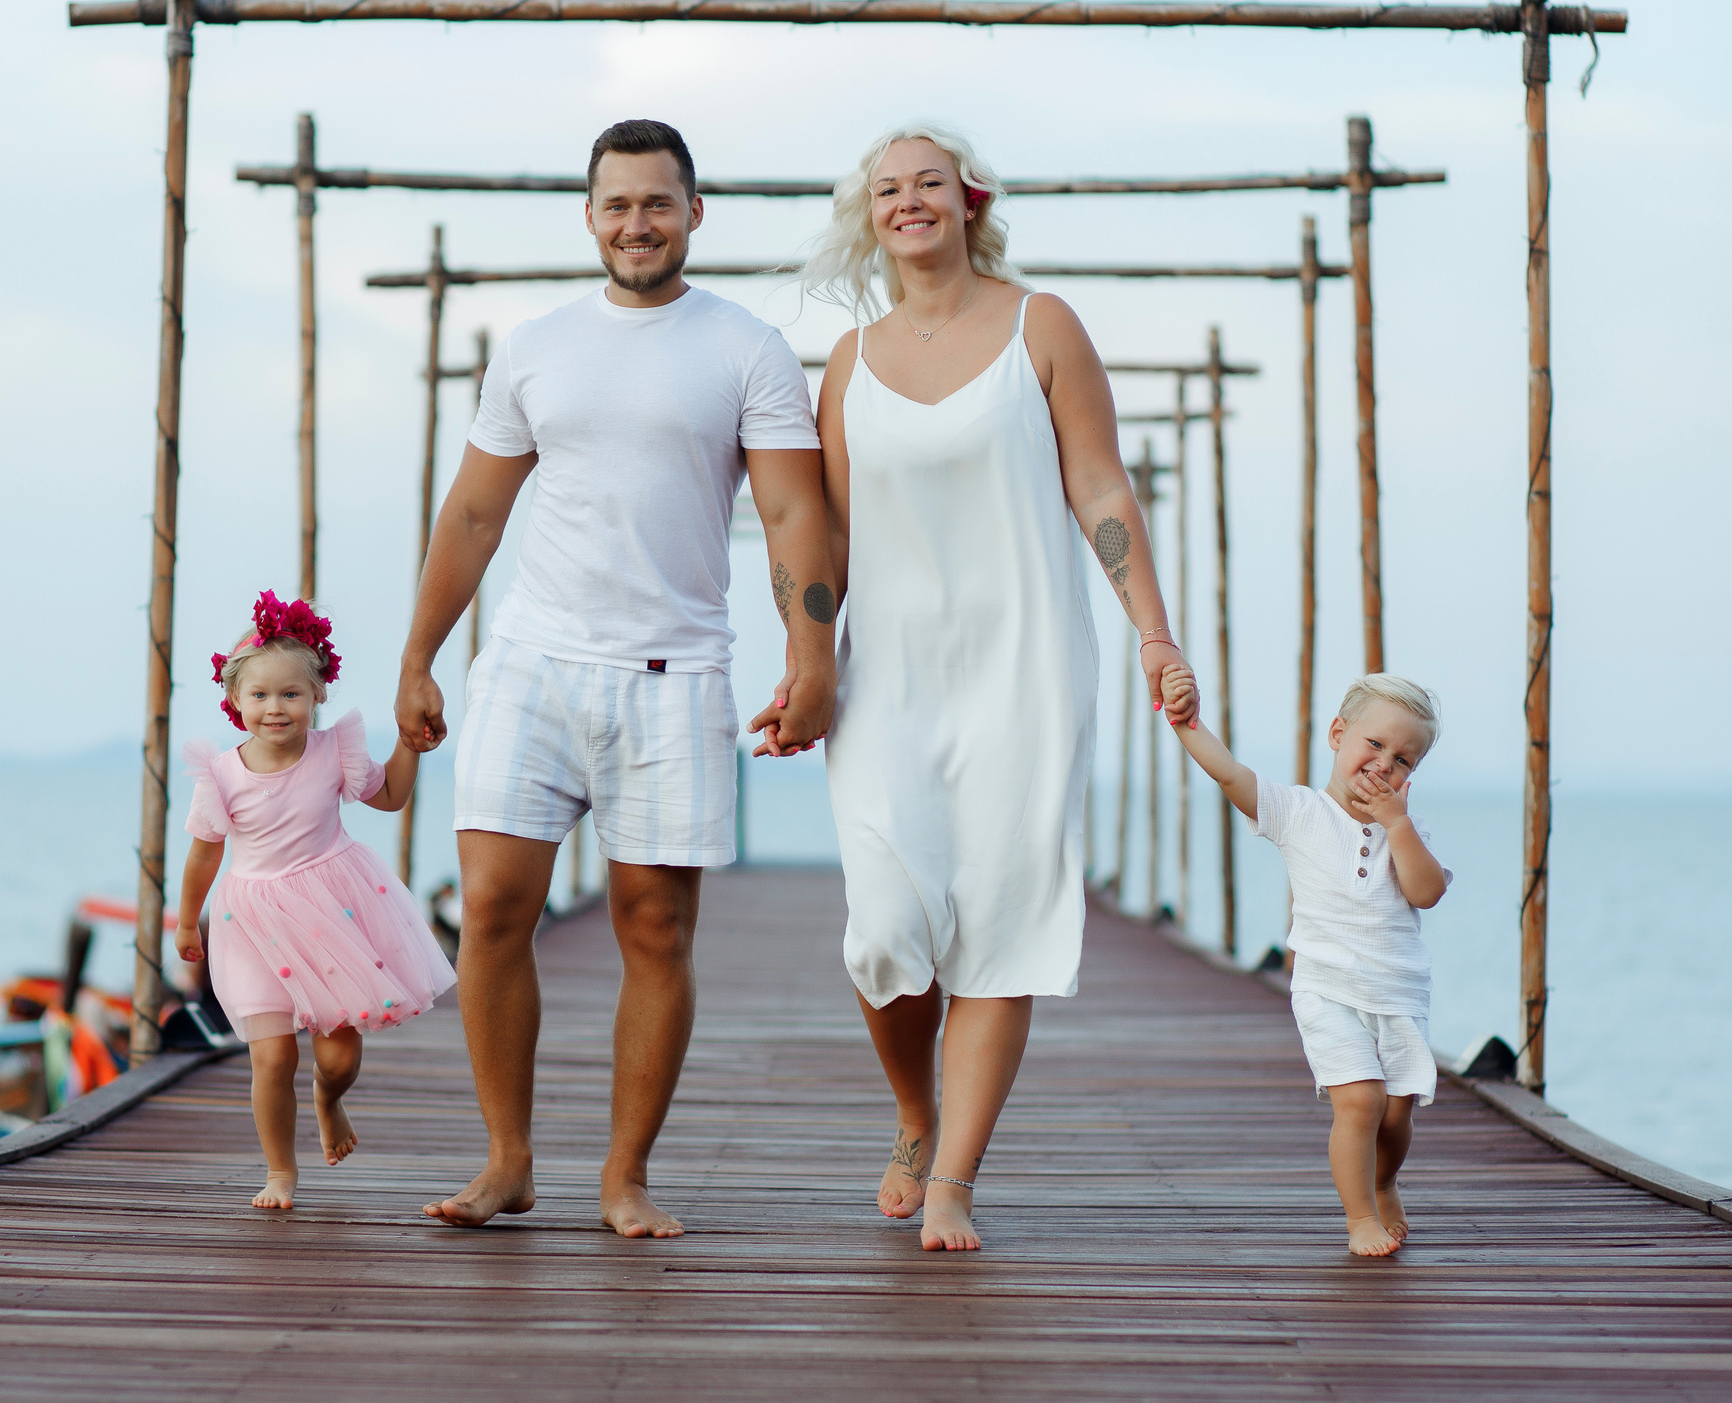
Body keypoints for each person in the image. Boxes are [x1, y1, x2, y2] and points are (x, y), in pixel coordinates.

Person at [396, 118, 836, 1238]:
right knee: (493, 909)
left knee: (654, 930)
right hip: (531, 665)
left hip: (675, 675)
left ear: (694, 213)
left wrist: (811, 656)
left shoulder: (746, 348)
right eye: (616, 204)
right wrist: (418, 656)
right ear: (589, 217)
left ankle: (624, 1174)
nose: (635, 223)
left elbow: (791, 512)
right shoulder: (537, 345)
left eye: (656, 202)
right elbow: (476, 510)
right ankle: (507, 1161)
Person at [806, 123, 1196, 1253]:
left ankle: (953, 1181)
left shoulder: (1042, 325)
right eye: (889, 189)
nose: (910, 201)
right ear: (869, 215)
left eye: (930, 182)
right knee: (885, 929)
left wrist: (1154, 636)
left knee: (998, 925)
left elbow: (1101, 488)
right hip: (887, 677)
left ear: (969, 201)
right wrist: (808, 664)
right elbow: (825, 534)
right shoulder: (849, 360)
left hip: (1025, 670)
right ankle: (915, 1111)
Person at [173, 591, 456, 1211]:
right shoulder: (221, 775)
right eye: (260, 696)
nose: (275, 709)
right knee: (272, 1057)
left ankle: (330, 1099)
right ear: (235, 701)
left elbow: (390, 799)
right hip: (249, 920)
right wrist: (188, 919)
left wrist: (409, 745)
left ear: (317, 695)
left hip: (332, 910)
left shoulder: (333, 753)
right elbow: (204, 853)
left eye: (291, 695)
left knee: (338, 1053)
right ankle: (280, 1170)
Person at [1162, 665, 1450, 1257]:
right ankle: (1359, 1218)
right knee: (1360, 1101)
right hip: (1326, 987)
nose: (1383, 765)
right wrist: (1187, 722)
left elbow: (1426, 892)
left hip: (1398, 993)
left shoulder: (1406, 828)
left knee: (1396, 1116)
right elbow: (1229, 773)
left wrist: (1396, 824)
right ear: (1338, 735)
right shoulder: (1298, 812)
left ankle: (1385, 1180)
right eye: (1374, 744)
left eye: (1403, 761)